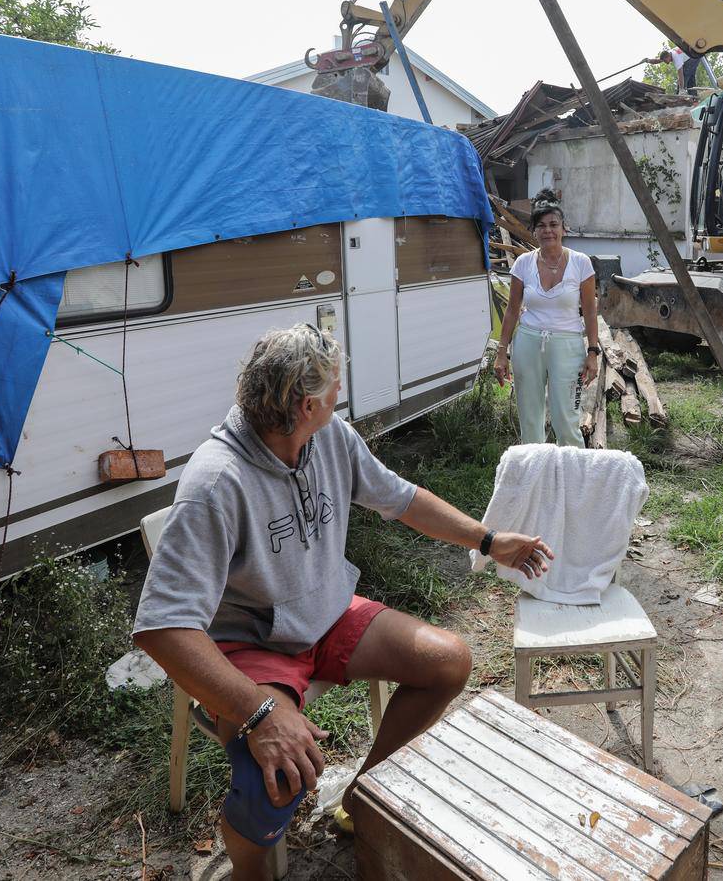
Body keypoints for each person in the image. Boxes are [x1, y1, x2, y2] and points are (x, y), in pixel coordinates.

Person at [132, 325, 553, 880]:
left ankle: (359, 798)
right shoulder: (216, 483)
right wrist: (260, 713)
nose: (339, 401)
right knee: (273, 782)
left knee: (447, 660)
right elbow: (163, 628)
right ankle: (249, 870)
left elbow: (401, 499)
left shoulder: (328, 438)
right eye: (334, 393)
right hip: (253, 643)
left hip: (326, 614)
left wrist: (489, 540)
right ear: (308, 405)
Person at [493, 190, 602, 445]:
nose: (548, 231)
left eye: (554, 224)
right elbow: (511, 310)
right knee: (530, 421)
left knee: (567, 421)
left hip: (568, 345)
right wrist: (501, 351)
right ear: (533, 231)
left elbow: (590, 310)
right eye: (541, 226)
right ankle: (535, 477)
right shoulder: (523, 264)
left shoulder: (581, 263)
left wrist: (593, 352)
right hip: (528, 344)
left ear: (564, 228)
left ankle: (573, 479)